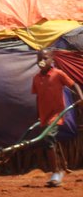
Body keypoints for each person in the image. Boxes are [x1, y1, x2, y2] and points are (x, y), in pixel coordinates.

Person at [31, 49, 81, 187]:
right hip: (44, 116)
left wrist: (81, 97)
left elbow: (74, 84)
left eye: (45, 58)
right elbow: (38, 98)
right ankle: (60, 168)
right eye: (39, 59)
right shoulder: (36, 78)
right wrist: (38, 116)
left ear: (51, 60)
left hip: (57, 114)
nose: (42, 61)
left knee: (48, 138)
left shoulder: (58, 74)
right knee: (49, 142)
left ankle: (56, 172)